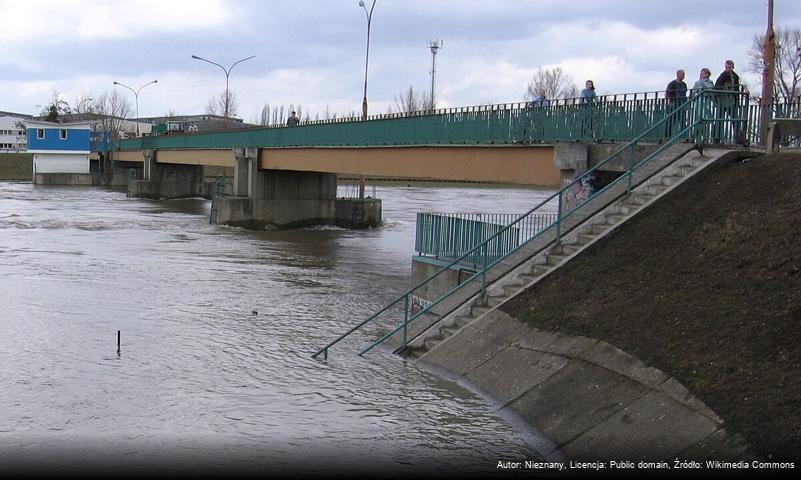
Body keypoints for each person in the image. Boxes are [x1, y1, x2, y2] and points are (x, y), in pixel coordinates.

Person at [713, 60, 747, 144]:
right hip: (723, 101)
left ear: (732, 67)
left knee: (736, 120)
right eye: (727, 67)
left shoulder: (735, 76)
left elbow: (737, 88)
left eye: (729, 67)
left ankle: (739, 139)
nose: (728, 69)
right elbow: (716, 87)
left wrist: (738, 99)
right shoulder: (722, 76)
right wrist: (717, 100)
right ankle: (716, 138)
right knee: (719, 120)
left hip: (732, 101)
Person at [665, 69, 688, 139]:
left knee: (683, 122)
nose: (683, 76)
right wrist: (669, 102)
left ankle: (683, 137)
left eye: (684, 74)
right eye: (682, 74)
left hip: (682, 105)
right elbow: (667, 93)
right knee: (671, 122)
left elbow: (685, 93)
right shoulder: (672, 84)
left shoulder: (684, 84)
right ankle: (667, 137)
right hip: (674, 105)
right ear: (677, 75)